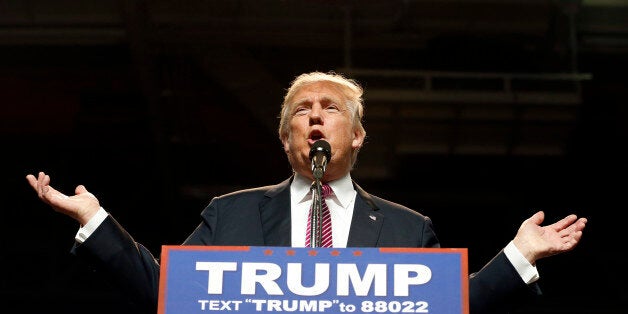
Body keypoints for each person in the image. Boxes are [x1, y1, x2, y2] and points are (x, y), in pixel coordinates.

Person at [26, 71, 587, 314]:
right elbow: (164, 294)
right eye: (301, 110)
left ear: (358, 135)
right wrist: (96, 218)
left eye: (331, 109)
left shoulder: (405, 229)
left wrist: (520, 256)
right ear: (286, 136)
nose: (315, 117)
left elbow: (448, 308)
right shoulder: (232, 214)